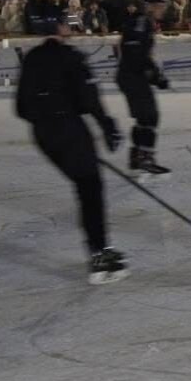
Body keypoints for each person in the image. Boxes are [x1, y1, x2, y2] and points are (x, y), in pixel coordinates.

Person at [14, 17, 127, 283]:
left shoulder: (32, 58)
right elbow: (89, 98)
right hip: (68, 129)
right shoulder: (71, 57)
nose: (70, 28)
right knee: (90, 187)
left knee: (85, 183)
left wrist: (44, 120)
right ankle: (99, 252)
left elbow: (20, 107)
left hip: (43, 135)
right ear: (59, 30)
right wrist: (107, 127)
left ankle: (99, 248)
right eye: (66, 24)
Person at [117, 0, 172, 174]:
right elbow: (135, 52)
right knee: (150, 115)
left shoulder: (145, 22)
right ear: (150, 6)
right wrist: (154, 75)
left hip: (133, 75)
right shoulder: (141, 22)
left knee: (144, 117)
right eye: (160, 6)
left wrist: (155, 74)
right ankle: (145, 157)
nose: (163, 9)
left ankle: (137, 156)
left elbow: (142, 54)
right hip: (132, 76)